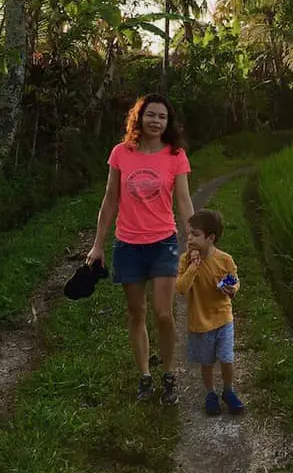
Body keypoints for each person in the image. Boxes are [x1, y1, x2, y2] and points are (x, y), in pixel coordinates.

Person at [87, 93, 194, 405]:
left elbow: (184, 200)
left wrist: (194, 239)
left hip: (163, 243)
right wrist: (97, 245)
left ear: (168, 122)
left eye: (162, 117)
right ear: (139, 117)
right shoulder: (121, 153)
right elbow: (109, 199)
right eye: (151, 115)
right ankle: (145, 376)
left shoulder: (176, 155)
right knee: (137, 313)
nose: (156, 121)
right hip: (128, 244)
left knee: (164, 314)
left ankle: (170, 374)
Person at [177, 209, 245, 415]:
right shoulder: (185, 260)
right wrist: (193, 267)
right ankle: (210, 393)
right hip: (200, 322)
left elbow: (235, 279)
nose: (189, 238)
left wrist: (232, 288)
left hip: (224, 318)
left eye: (195, 234)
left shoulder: (224, 260)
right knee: (206, 362)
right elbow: (181, 288)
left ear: (211, 238)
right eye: (188, 233)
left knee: (226, 358)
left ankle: (228, 390)